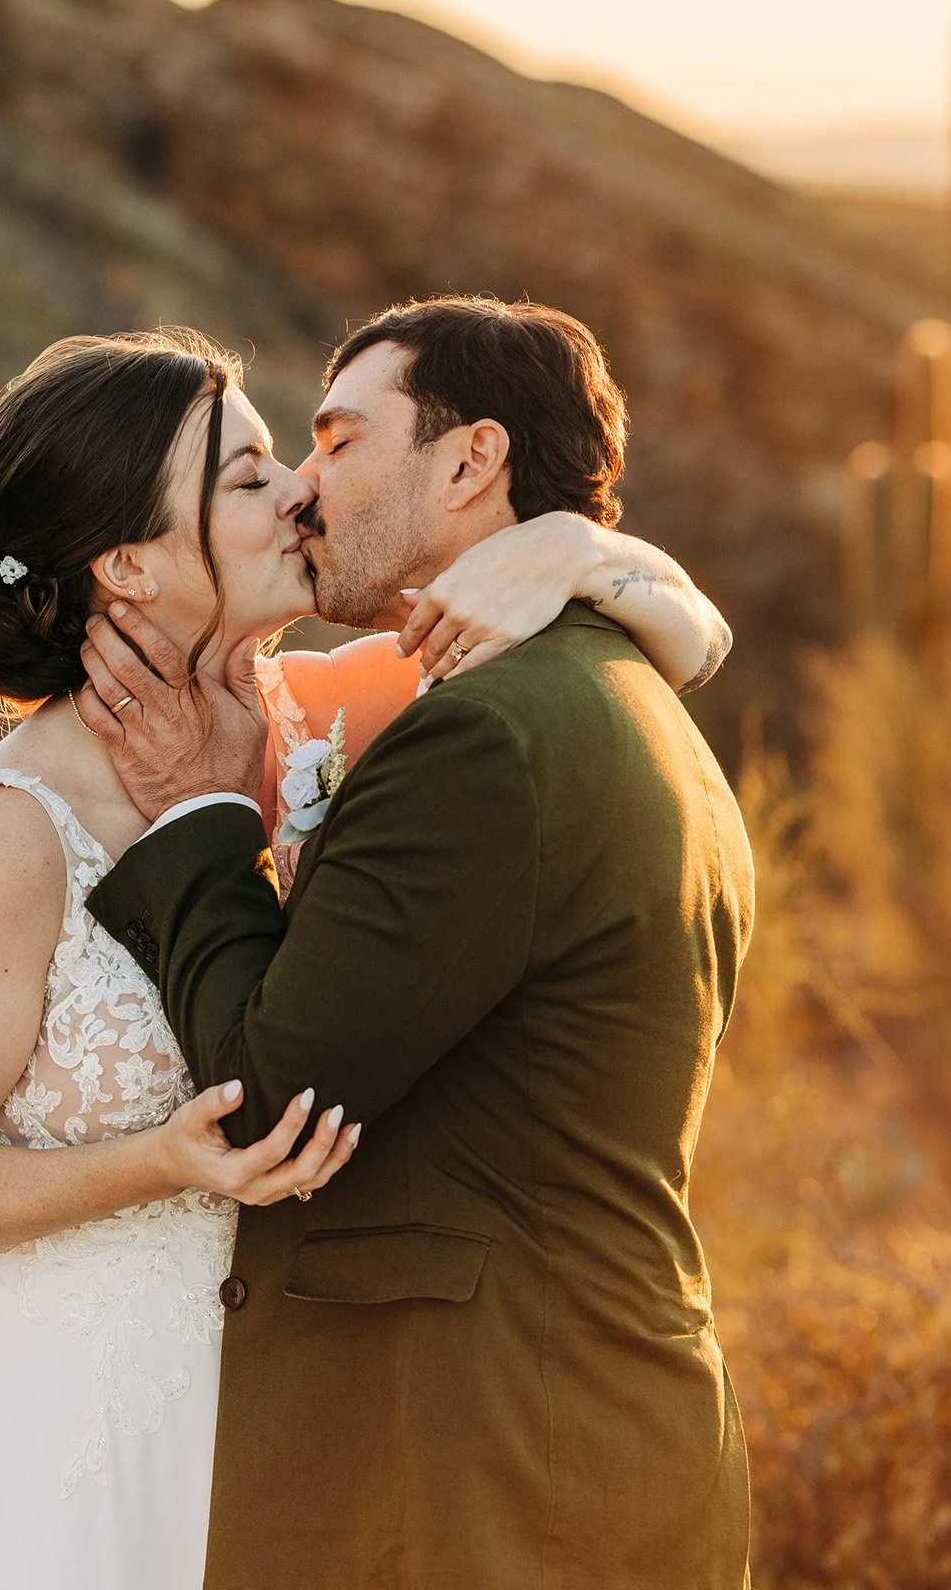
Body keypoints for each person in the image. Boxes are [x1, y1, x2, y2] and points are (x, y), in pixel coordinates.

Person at [0, 322, 733, 1590]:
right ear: (131, 565)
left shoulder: (319, 710)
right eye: (250, 478)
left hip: (268, 1418)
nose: (302, 488)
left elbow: (678, 649)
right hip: (61, 1418)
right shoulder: (5, 832)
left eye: (294, 456)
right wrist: (155, 1161)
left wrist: (568, 546)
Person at [80, 298, 754, 1590]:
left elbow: (265, 1094)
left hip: (493, 1471)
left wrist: (195, 815)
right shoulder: (625, 698)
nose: (301, 488)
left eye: (336, 441)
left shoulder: (488, 735)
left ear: (468, 463)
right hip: (578, 1438)